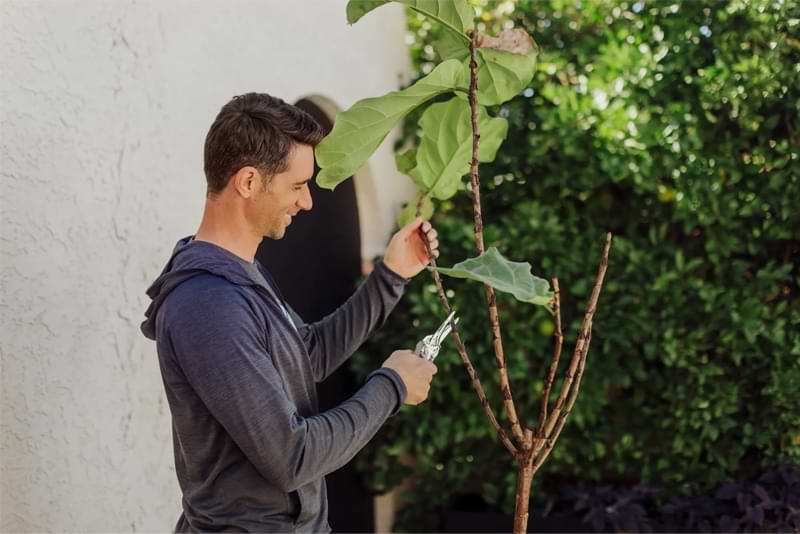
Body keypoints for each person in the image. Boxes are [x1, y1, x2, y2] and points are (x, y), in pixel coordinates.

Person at [140, 92, 440, 533]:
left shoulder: (241, 277)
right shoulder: (208, 304)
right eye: (297, 186)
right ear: (247, 182)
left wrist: (393, 273)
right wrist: (392, 387)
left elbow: (308, 354)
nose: (307, 202)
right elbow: (292, 457)